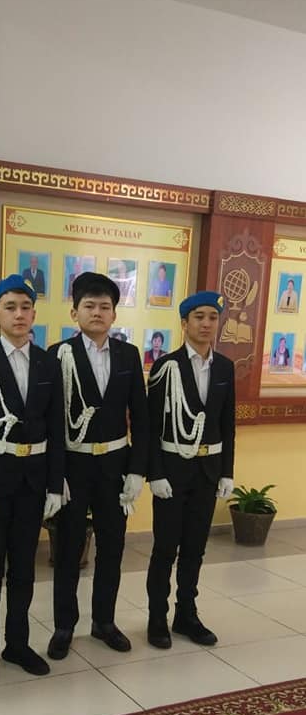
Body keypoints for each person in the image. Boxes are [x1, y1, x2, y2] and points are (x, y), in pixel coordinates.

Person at [0, 273, 64, 685]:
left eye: (25, 308)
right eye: (10, 308)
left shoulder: (48, 363)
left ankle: (17, 644)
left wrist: (55, 484)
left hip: (33, 482)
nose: (19, 315)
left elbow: (57, 428)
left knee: (24, 569)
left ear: (34, 314)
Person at [47, 272, 149, 660]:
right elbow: (51, 421)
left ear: (114, 314)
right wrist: (55, 476)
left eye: (105, 306)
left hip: (114, 466)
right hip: (73, 465)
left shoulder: (128, 355)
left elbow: (140, 417)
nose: (97, 312)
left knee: (112, 547)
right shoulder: (58, 354)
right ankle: (64, 625)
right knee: (68, 548)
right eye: (89, 306)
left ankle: (104, 622)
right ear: (74, 312)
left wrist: (137, 470)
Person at [145, 290, 235, 649]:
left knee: (195, 549)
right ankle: (157, 617)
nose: (206, 324)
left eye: (212, 317)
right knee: (165, 549)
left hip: (207, 471)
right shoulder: (166, 366)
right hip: (172, 471)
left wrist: (227, 471)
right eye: (199, 317)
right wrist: (155, 474)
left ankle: (186, 615)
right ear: (184, 323)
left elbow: (227, 424)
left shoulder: (224, 367)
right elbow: (150, 426)